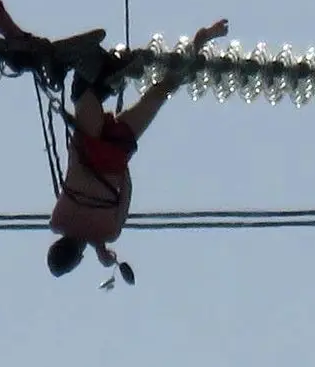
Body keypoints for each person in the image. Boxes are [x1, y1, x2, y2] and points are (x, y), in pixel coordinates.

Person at [46, 18, 230, 281]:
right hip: (89, 140)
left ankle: (201, 40)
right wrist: (97, 246)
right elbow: (79, 226)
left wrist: (121, 167)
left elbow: (126, 193)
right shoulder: (58, 220)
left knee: (162, 91)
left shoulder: (109, 231)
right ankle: (105, 72)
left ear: (76, 259)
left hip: (115, 151)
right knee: (83, 91)